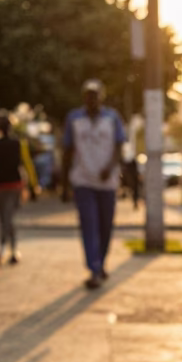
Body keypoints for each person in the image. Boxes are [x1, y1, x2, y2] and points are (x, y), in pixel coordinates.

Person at [63, 80, 126, 289]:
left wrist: (111, 167)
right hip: (83, 181)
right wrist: (64, 184)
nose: (92, 100)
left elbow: (119, 147)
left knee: (105, 226)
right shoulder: (74, 119)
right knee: (89, 225)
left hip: (107, 182)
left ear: (101, 97)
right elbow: (67, 151)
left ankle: (101, 262)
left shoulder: (112, 118)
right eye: (88, 95)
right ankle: (94, 268)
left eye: (95, 95)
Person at [0, 115, 38, 266]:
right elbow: (28, 165)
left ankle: (4, 250)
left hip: (1, 187)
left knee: (5, 219)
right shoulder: (19, 144)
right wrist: (33, 185)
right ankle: (12, 250)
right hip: (13, 186)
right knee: (6, 219)